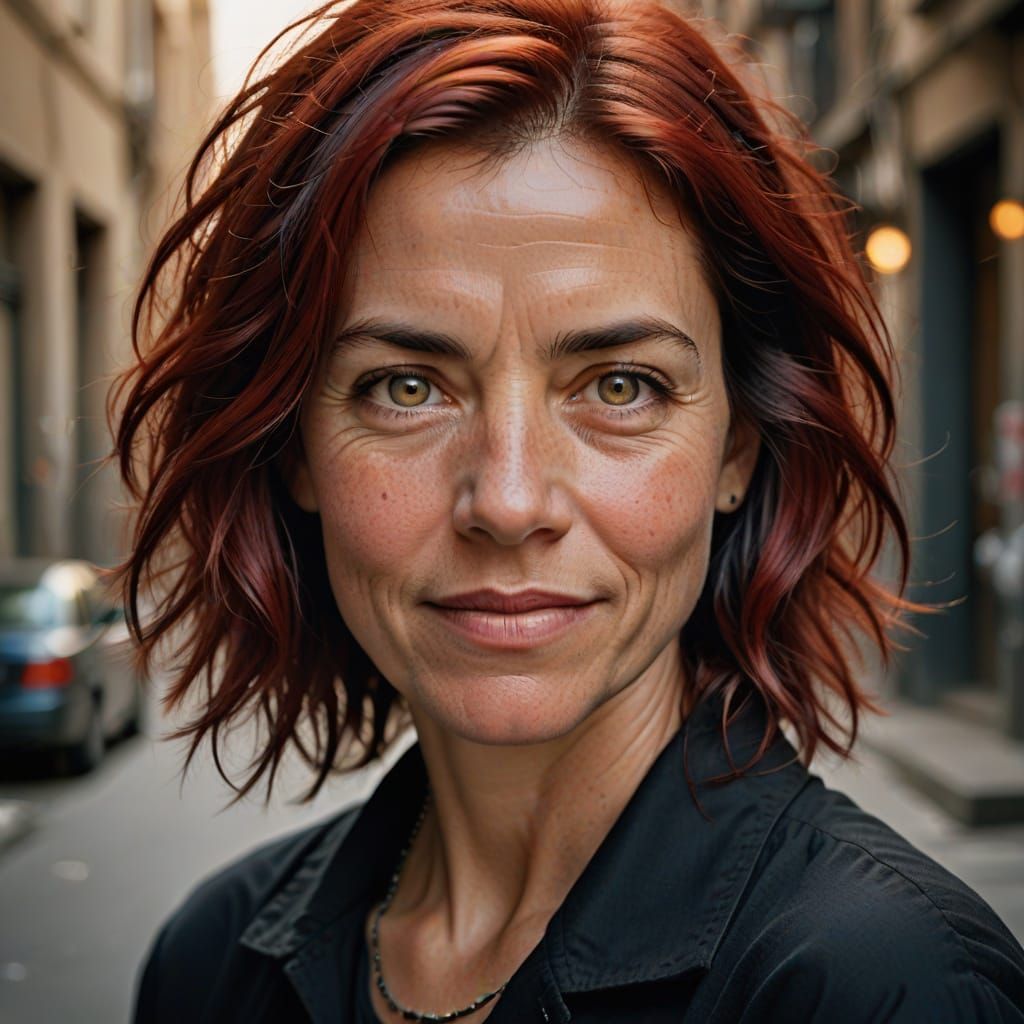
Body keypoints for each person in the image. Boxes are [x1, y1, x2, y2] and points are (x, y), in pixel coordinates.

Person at [117, 1, 1024, 1021]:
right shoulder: (208, 968)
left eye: (621, 385)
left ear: (737, 446)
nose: (507, 501)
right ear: (293, 449)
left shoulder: (878, 988)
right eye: (405, 386)